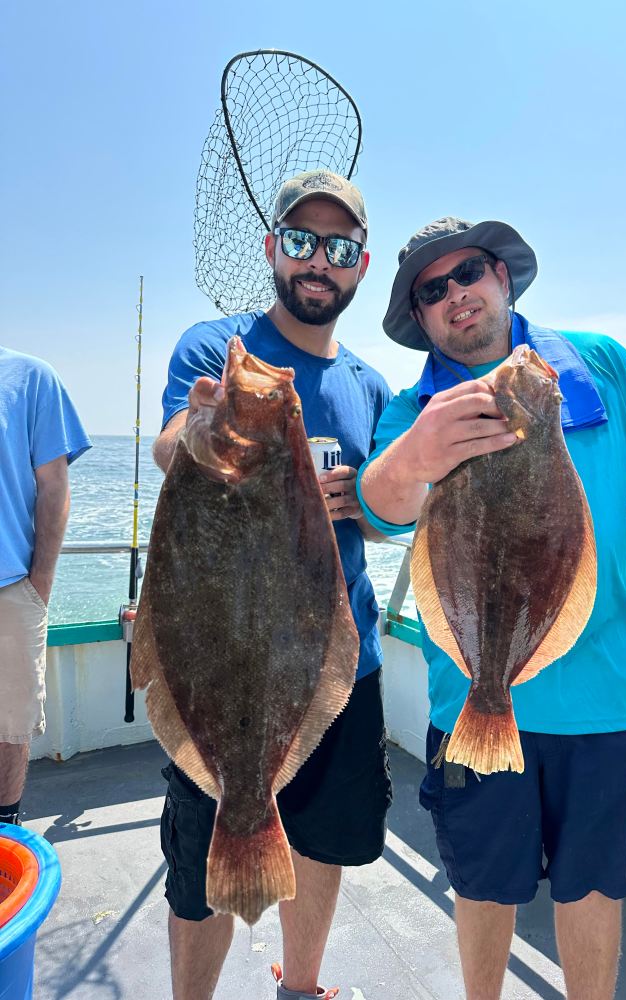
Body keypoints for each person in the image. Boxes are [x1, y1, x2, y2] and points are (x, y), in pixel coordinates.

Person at [357, 217, 626, 1000]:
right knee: (485, 885)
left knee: (593, 886)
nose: (458, 293)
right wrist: (418, 453)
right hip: (474, 705)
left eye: (472, 272)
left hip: (602, 703)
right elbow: (382, 511)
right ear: (420, 316)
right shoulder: (413, 410)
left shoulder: (602, 367)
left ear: (504, 277)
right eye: (434, 288)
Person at [152, 170, 393, 1000]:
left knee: (321, 843)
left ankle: (301, 987)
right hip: (221, 652)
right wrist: (211, 424)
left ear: (360, 266)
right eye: (300, 241)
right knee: (199, 857)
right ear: (272, 250)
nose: (317, 262)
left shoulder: (370, 386)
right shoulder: (214, 347)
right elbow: (172, 442)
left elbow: (398, 513)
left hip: (334, 666)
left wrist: (363, 497)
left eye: (338, 248)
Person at [0, 347, 91, 826]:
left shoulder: (31, 377)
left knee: (10, 726)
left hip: (11, 585)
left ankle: (5, 832)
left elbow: (53, 485)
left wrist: (40, 584)